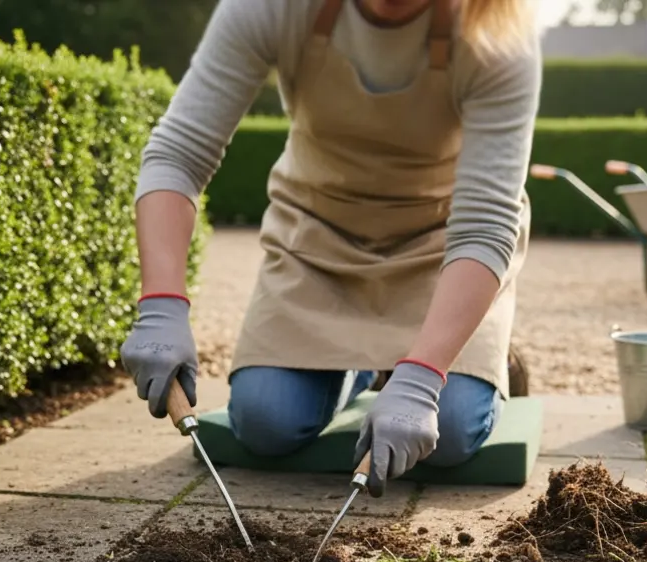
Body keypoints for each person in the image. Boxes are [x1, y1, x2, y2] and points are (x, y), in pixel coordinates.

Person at [120, 0, 541, 496]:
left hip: (440, 250)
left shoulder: (497, 37)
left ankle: (466, 358)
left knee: (450, 432)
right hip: (316, 241)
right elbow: (179, 155)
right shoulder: (273, 8)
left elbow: (484, 225)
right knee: (264, 420)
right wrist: (161, 305)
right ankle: (369, 365)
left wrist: (425, 375)